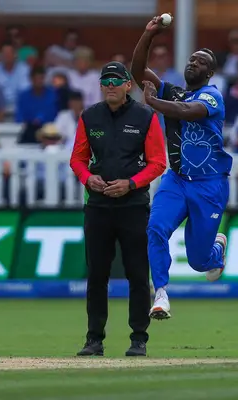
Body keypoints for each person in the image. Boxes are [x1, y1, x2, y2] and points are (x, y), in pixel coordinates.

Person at [131, 15, 233, 320]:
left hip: (209, 185)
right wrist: (148, 35)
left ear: (210, 72)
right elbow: (137, 72)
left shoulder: (212, 96)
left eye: (201, 62)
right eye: (191, 59)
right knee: (155, 228)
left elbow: (189, 112)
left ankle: (215, 249)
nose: (194, 63)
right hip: (176, 179)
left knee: (199, 262)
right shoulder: (172, 92)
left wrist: (154, 104)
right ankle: (160, 293)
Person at [69, 61, 166, 357]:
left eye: (116, 80)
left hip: (133, 206)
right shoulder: (90, 116)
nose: (110, 85)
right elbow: (77, 159)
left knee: (138, 273)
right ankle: (94, 339)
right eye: (105, 80)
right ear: (100, 86)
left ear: (128, 86)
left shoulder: (145, 116)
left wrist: (131, 184)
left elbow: (158, 162)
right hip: (98, 206)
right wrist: (88, 178)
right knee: (97, 275)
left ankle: (139, 339)